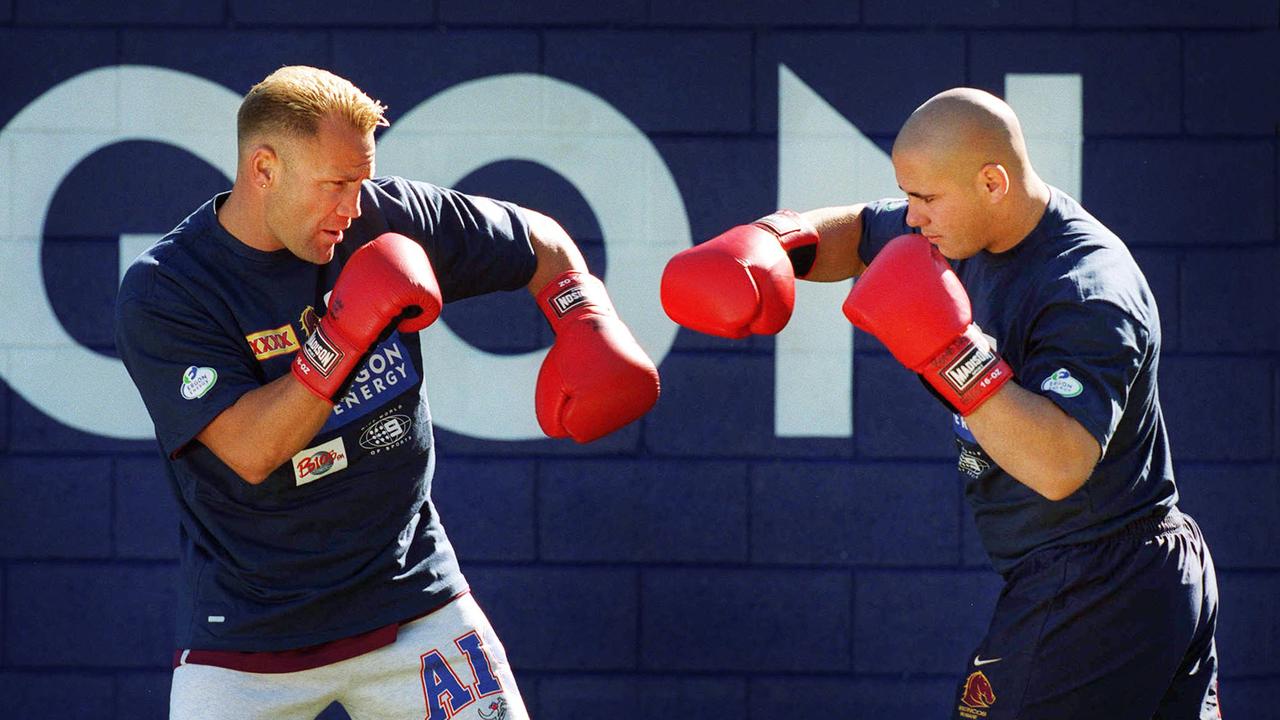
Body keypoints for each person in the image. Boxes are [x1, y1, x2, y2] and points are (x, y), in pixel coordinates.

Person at [114, 65, 659, 719]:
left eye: (362, 182)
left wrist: (585, 319)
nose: (352, 206)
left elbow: (541, 242)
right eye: (336, 184)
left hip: (414, 600)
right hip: (249, 637)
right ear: (264, 170)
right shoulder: (169, 288)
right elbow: (252, 449)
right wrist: (344, 333)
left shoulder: (386, 219)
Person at [660, 87, 1220, 719]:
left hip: (1099, 580)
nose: (914, 216)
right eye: (908, 196)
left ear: (992, 181)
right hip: (1120, 578)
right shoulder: (959, 227)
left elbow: (1061, 464)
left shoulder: (1088, 288)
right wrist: (774, 243)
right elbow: (861, 231)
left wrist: (950, 353)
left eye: (925, 198)